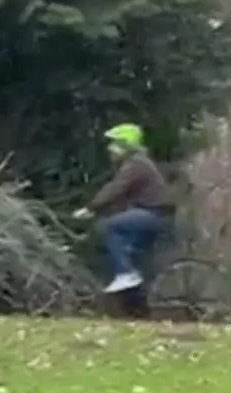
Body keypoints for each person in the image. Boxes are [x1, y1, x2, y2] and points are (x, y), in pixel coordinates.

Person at [72, 123, 173, 294]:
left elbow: (116, 189)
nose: (110, 148)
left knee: (110, 226)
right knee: (125, 248)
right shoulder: (135, 163)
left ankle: (126, 274)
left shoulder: (136, 164)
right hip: (153, 215)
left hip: (153, 215)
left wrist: (91, 208)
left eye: (115, 144)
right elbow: (120, 196)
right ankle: (136, 288)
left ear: (125, 145)